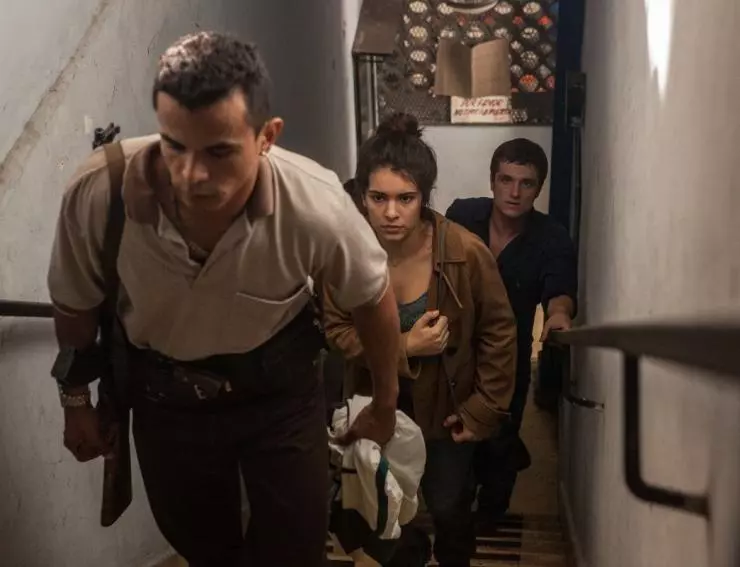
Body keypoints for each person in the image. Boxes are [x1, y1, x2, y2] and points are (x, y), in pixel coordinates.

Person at [47, 31, 401, 567]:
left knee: (296, 546)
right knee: (200, 545)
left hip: (280, 394)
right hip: (166, 398)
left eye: (219, 151)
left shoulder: (314, 203)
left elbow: (372, 298)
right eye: (175, 146)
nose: (191, 176)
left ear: (266, 137)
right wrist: (75, 402)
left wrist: (385, 404)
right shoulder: (100, 193)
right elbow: (74, 303)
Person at [323, 112, 517, 567]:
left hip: (447, 409)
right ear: (362, 197)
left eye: (405, 199)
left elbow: (500, 331)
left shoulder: (464, 252)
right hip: (376, 404)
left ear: (424, 197)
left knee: (448, 505)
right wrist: (405, 346)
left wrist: (482, 410)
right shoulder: (344, 254)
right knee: (385, 506)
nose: (391, 213)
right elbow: (337, 331)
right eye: (379, 198)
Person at [445, 138, 577, 521]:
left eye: (526, 183)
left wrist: (558, 315)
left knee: (499, 439)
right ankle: (456, 514)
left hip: (509, 355)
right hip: (455, 349)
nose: (514, 192)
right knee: (452, 433)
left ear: (539, 188)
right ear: (492, 181)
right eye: (506, 180)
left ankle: (491, 513)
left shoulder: (550, 237)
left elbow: (559, 288)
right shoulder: (462, 216)